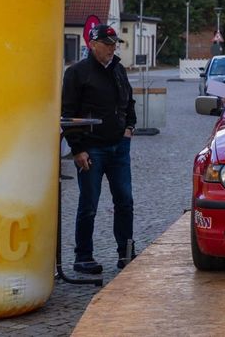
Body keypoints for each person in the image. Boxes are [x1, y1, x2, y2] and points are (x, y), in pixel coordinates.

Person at [61, 24, 137, 274]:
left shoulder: (118, 70)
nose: (112, 49)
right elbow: (68, 114)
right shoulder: (77, 73)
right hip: (91, 149)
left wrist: (129, 128)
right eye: (107, 44)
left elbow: (129, 100)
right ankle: (83, 256)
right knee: (89, 204)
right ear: (93, 45)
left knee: (124, 201)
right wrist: (78, 148)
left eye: (114, 45)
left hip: (118, 147)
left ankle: (125, 253)